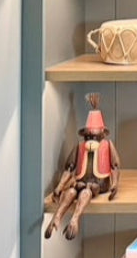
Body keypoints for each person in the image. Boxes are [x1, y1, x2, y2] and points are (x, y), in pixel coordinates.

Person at [44, 93, 120, 241]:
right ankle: (57, 217)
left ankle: (74, 219)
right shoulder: (79, 148)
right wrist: (60, 187)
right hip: (80, 182)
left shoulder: (107, 146)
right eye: (88, 136)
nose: (91, 140)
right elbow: (69, 168)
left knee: (85, 193)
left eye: (95, 136)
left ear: (102, 134)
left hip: (98, 185)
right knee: (71, 192)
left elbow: (115, 166)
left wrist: (115, 184)